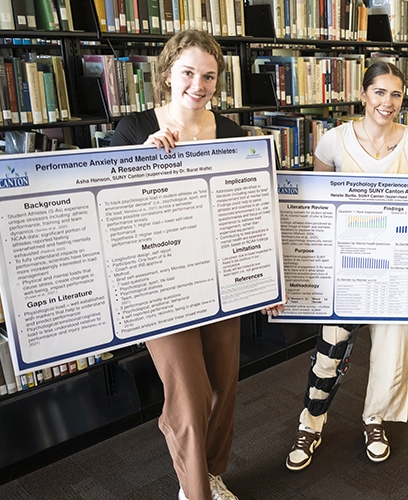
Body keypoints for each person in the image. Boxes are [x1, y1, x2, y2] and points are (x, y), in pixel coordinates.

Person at [110, 29, 283, 500]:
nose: (198, 84)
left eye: (208, 76)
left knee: (223, 386)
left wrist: (270, 280)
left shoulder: (231, 134)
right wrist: (139, 164)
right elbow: (109, 217)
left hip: (218, 282)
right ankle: (194, 492)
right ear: (168, 74)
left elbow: (249, 211)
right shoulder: (132, 131)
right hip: (159, 286)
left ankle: (211, 473)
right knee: (187, 397)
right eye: (188, 72)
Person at [283, 61, 408, 471]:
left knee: (391, 351)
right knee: (329, 350)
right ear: (364, 94)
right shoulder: (334, 141)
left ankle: (374, 420)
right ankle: (310, 424)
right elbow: (316, 208)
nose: (387, 102)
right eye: (379, 92)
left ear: (404, 98)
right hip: (347, 269)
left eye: (396, 94)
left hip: (397, 268)